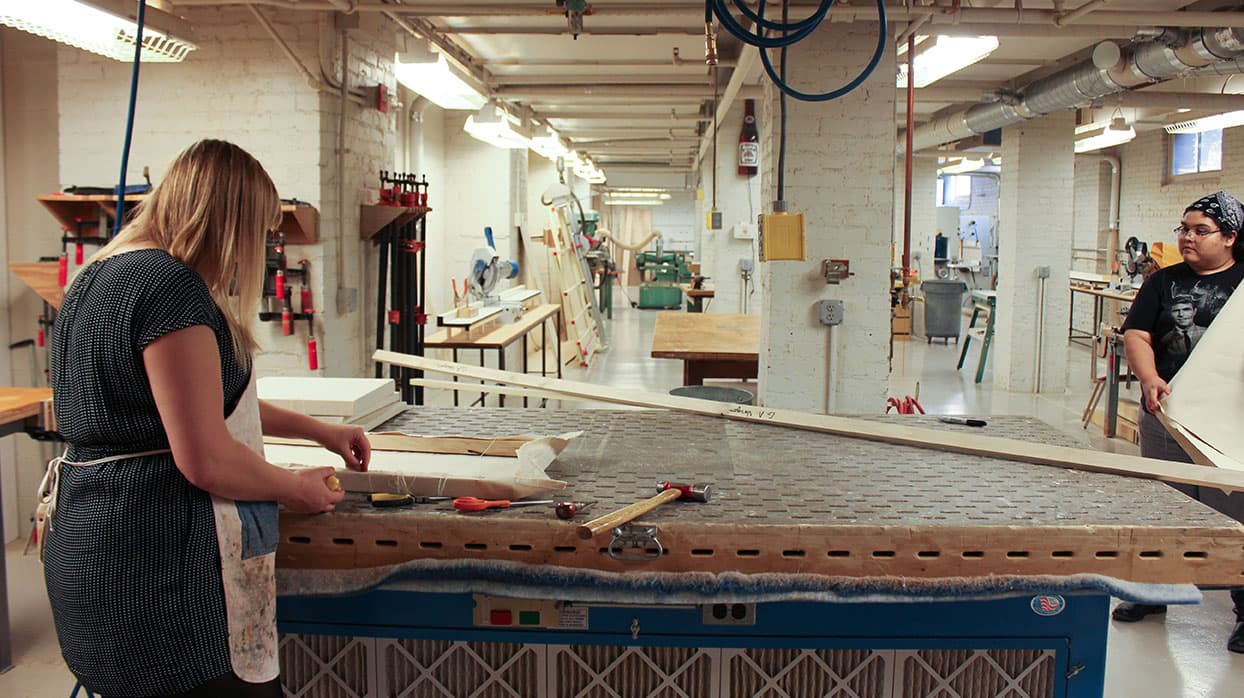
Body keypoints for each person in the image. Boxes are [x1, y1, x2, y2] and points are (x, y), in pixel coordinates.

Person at [43, 140, 372, 696]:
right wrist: (296, 488)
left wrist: (320, 430)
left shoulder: (96, 279)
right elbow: (206, 457)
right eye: (260, 233)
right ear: (228, 221)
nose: (264, 249)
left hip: (91, 549)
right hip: (160, 568)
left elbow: (195, 405)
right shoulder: (168, 288)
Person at [1116, 190, 1244, 654]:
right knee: (1160, 505)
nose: (1187, 238)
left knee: (1236, 513)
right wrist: (1148, 378)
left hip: (1232, 422)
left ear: (1230, 238)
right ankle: (1153, 592)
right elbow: (1137, 333)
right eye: (1183, 229)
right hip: (1166, 414)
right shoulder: (1162, 282)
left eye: (1200, 230)